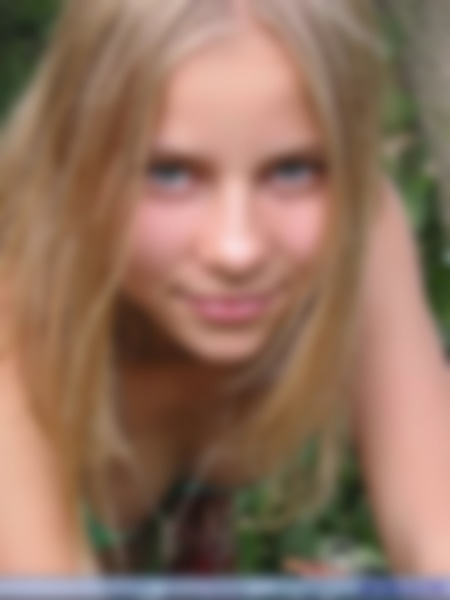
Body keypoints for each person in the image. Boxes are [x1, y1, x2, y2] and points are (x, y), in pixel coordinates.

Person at [0, 0, 449, 576]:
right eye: (169, 173)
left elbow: (436, 537)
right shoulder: (19, 294)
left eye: (292, 170)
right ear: (73, 160)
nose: (238, 250)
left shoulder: (355, 224)